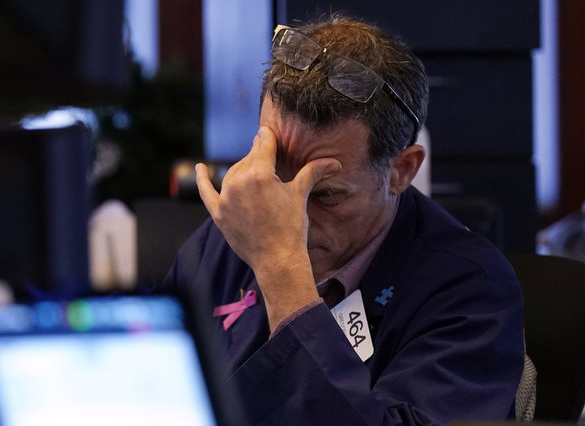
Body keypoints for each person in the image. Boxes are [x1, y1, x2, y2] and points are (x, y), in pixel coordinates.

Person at [162, 16, 525, 425]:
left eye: (325, 195)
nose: (289, 217)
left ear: (401, 170)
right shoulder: (226, 239)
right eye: (276, 180)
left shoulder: (470, 289)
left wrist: (283, 273)